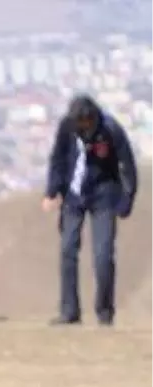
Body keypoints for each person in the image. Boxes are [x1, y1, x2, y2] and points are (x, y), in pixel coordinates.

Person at [42, 94, 138, 326]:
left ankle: (104, 312)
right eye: (79, 123)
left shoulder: (111, 129)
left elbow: (127, 166)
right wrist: (52, 191)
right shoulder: (67, 127)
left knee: (103, 255)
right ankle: (69, 311)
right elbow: (58, 159)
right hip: (73, 195)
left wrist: (126, 199)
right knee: (67, 250)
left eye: (86, 123)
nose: (82, 127)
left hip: (103, 195)